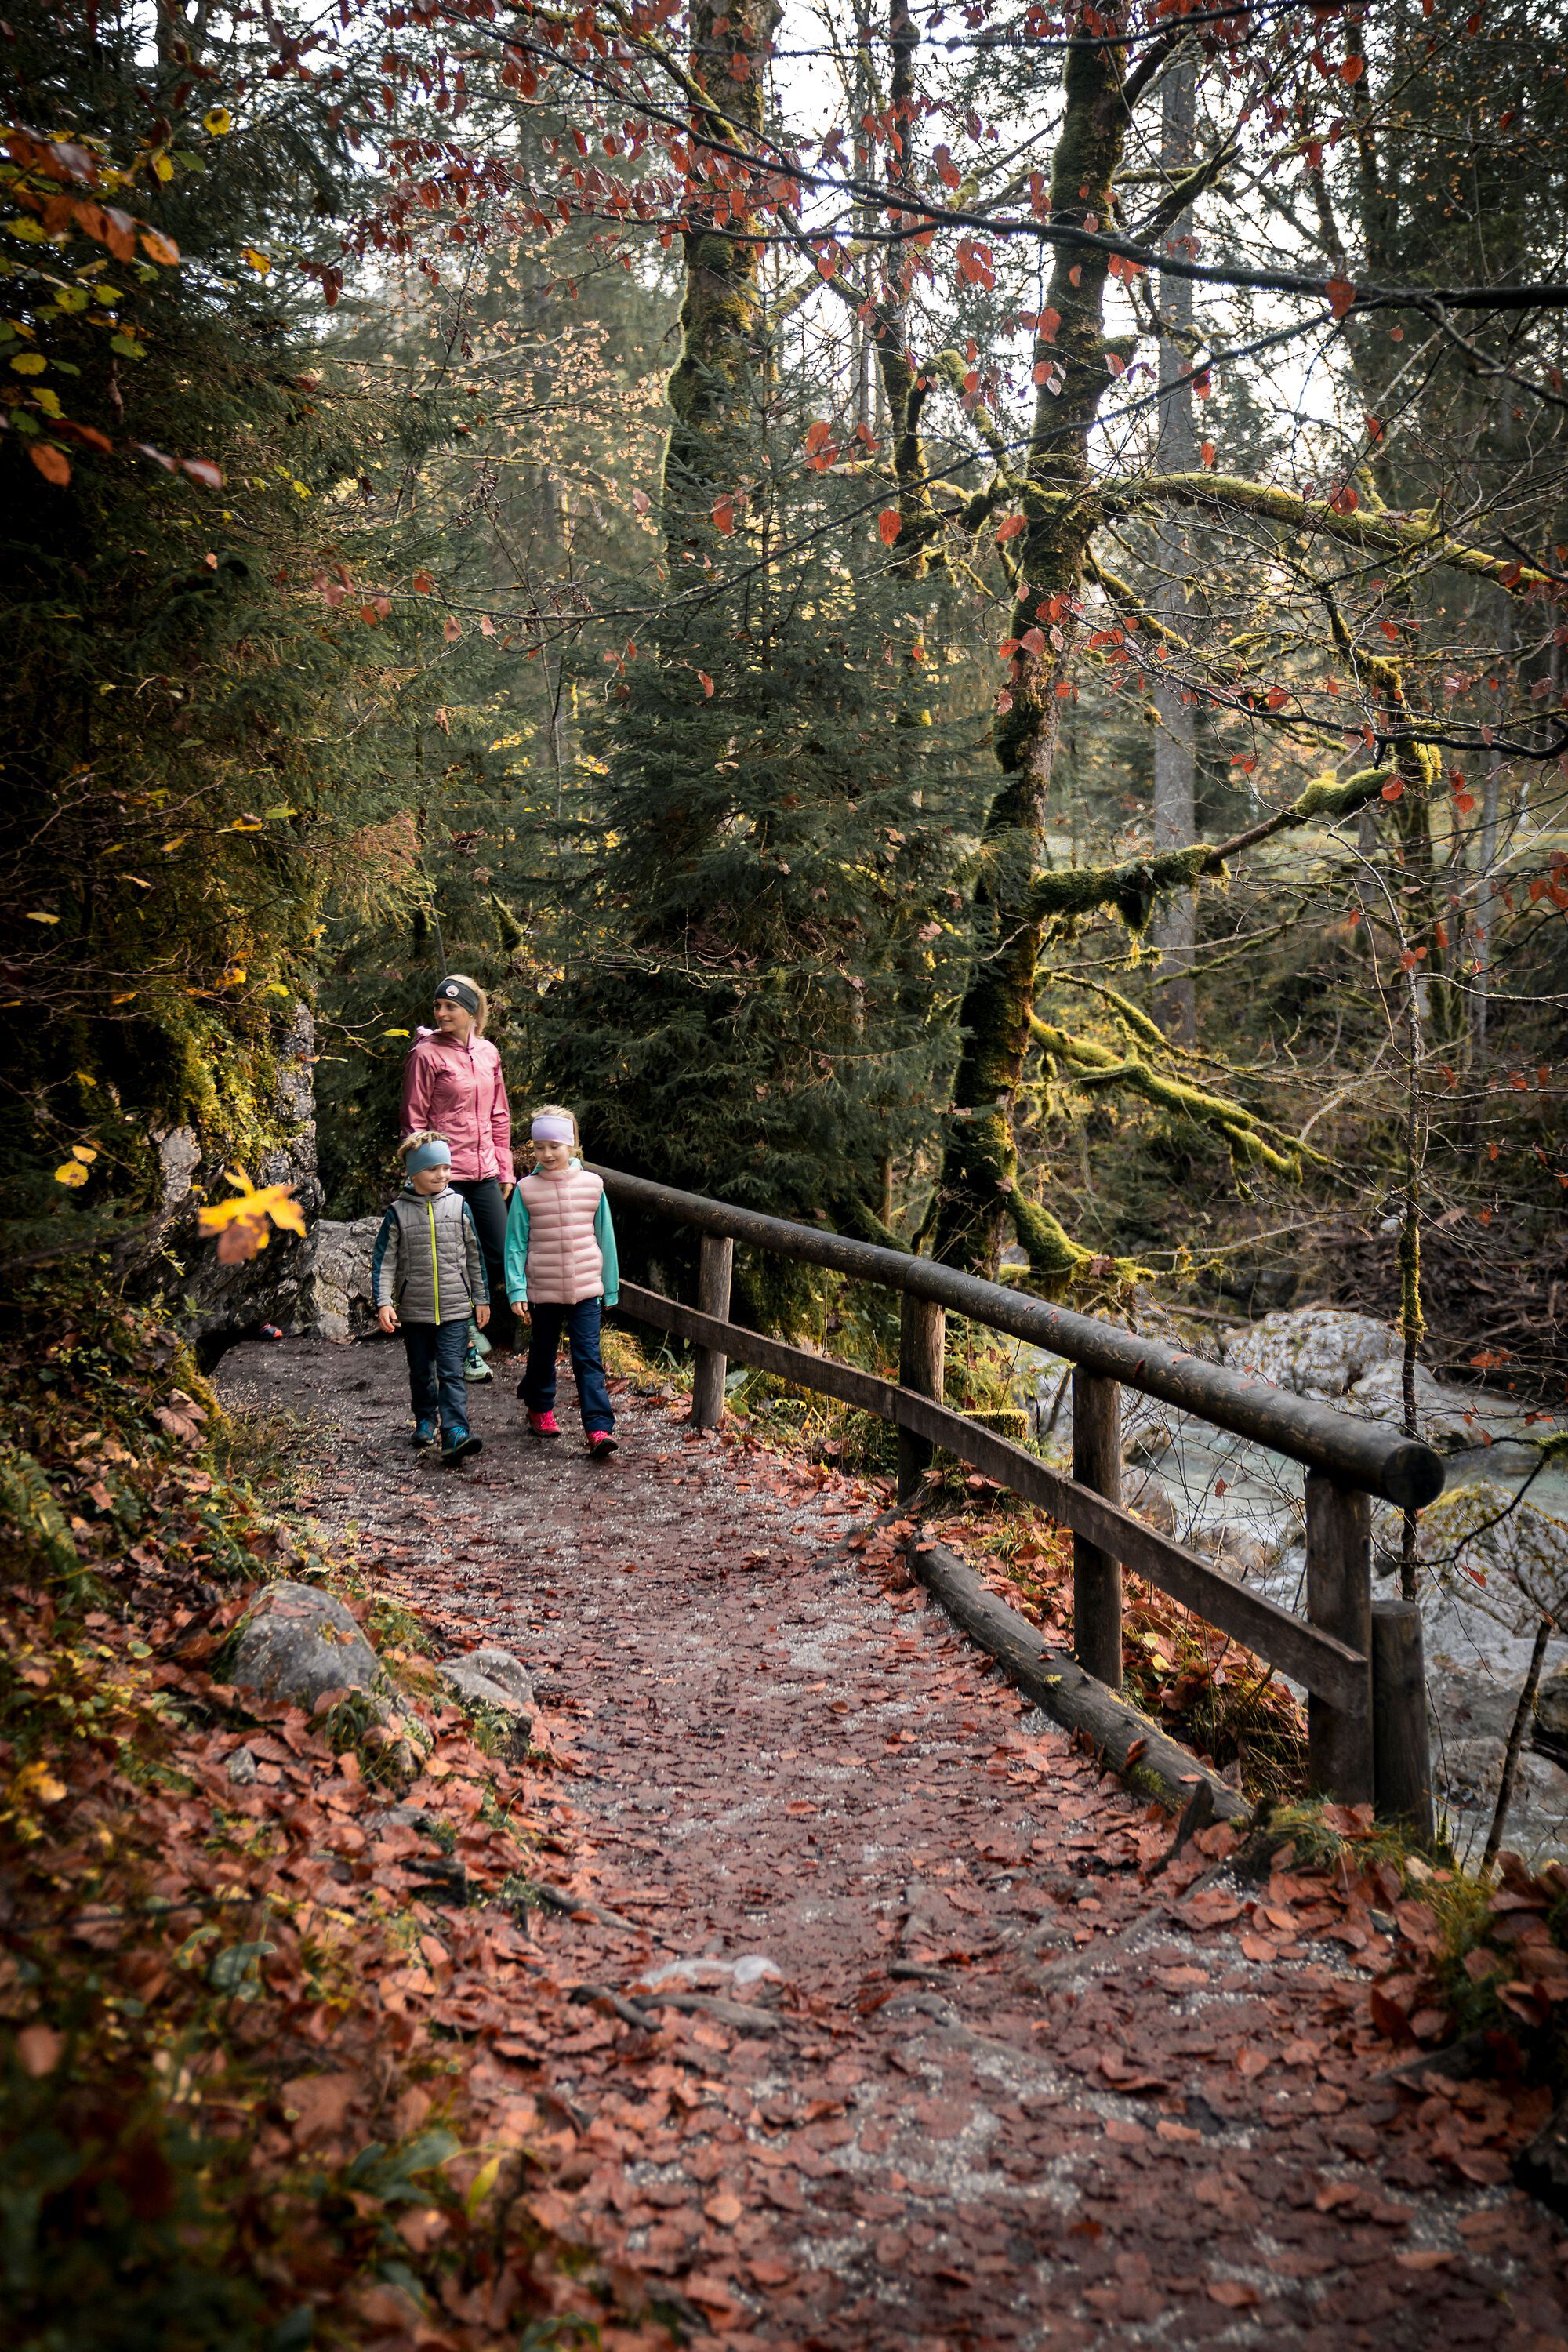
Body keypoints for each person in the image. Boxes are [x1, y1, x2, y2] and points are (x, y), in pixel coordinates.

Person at [400, 974, 514, 1383]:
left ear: (471, 1011)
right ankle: (464, 1342)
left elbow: (499, 1113)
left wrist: (505, 1167)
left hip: (484, 1172)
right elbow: (413, 1121)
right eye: (438, 1006)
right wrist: (422, 1173)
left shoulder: (487, 1052)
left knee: (500, 1252)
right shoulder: (426, 1054)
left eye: (451, 1006)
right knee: (448, 1262)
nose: (442, 1013)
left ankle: (474, 1324)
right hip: (443, 1174)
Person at [504, 1107, 620, 1461]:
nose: (547, 1153)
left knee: (588, 1358)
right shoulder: (526, 1190)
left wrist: (610, 1287)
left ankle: (598, 1429)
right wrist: (516, 1288)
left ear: (571, 1145)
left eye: (554, 1145)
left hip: (585, 1289)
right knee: (543, 1352)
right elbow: (515, 1243)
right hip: (544, 1288)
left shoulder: (593, 1185)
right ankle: (539, 1407)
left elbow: (605, 1237)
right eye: (539, 1146)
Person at [371, 1132, 488, 1466]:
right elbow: (385, 1261)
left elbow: (475, 1256)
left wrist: (481, 1298)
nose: (442, 1174)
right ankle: (425, 1420)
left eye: (446, 1168)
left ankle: (455, 1432)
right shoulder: (398, 1213)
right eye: (433, 1169)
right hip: (415, 1311)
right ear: (413, 1172)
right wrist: (384, 1302)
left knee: (452, 1372)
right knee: (422, 1372)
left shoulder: (459, 1206)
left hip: (455, 1308)